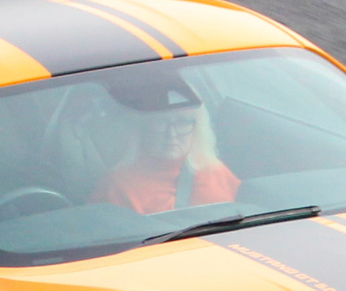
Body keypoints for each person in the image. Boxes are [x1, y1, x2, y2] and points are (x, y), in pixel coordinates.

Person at [91, 72, 239, 214]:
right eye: (160, 122)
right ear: (142, 128)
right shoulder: (116, 188)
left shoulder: (215, 171)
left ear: (197, 127)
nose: (172, 134)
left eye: (182, 122)